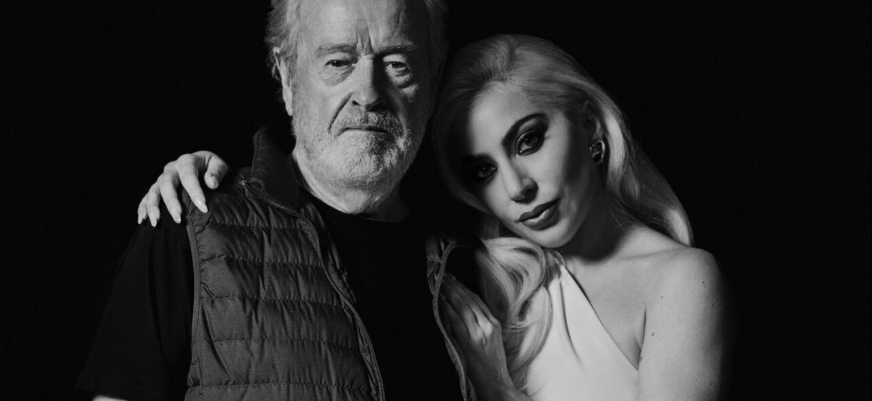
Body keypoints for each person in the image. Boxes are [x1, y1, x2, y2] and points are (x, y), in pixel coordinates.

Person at [147, 34, 731, 400]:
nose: (518, 188)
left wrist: (498, 389)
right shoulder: (487, 275)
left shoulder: (681, 281)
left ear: (590, 125)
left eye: (529, 140)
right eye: (482, 170)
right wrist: (212, 179)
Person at [78, 0, 476, 400]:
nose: (369, 94)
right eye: (338, 62)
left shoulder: (467, 258)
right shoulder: (188, 225)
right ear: (287, 77)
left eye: (397, 64)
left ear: (433, 80)